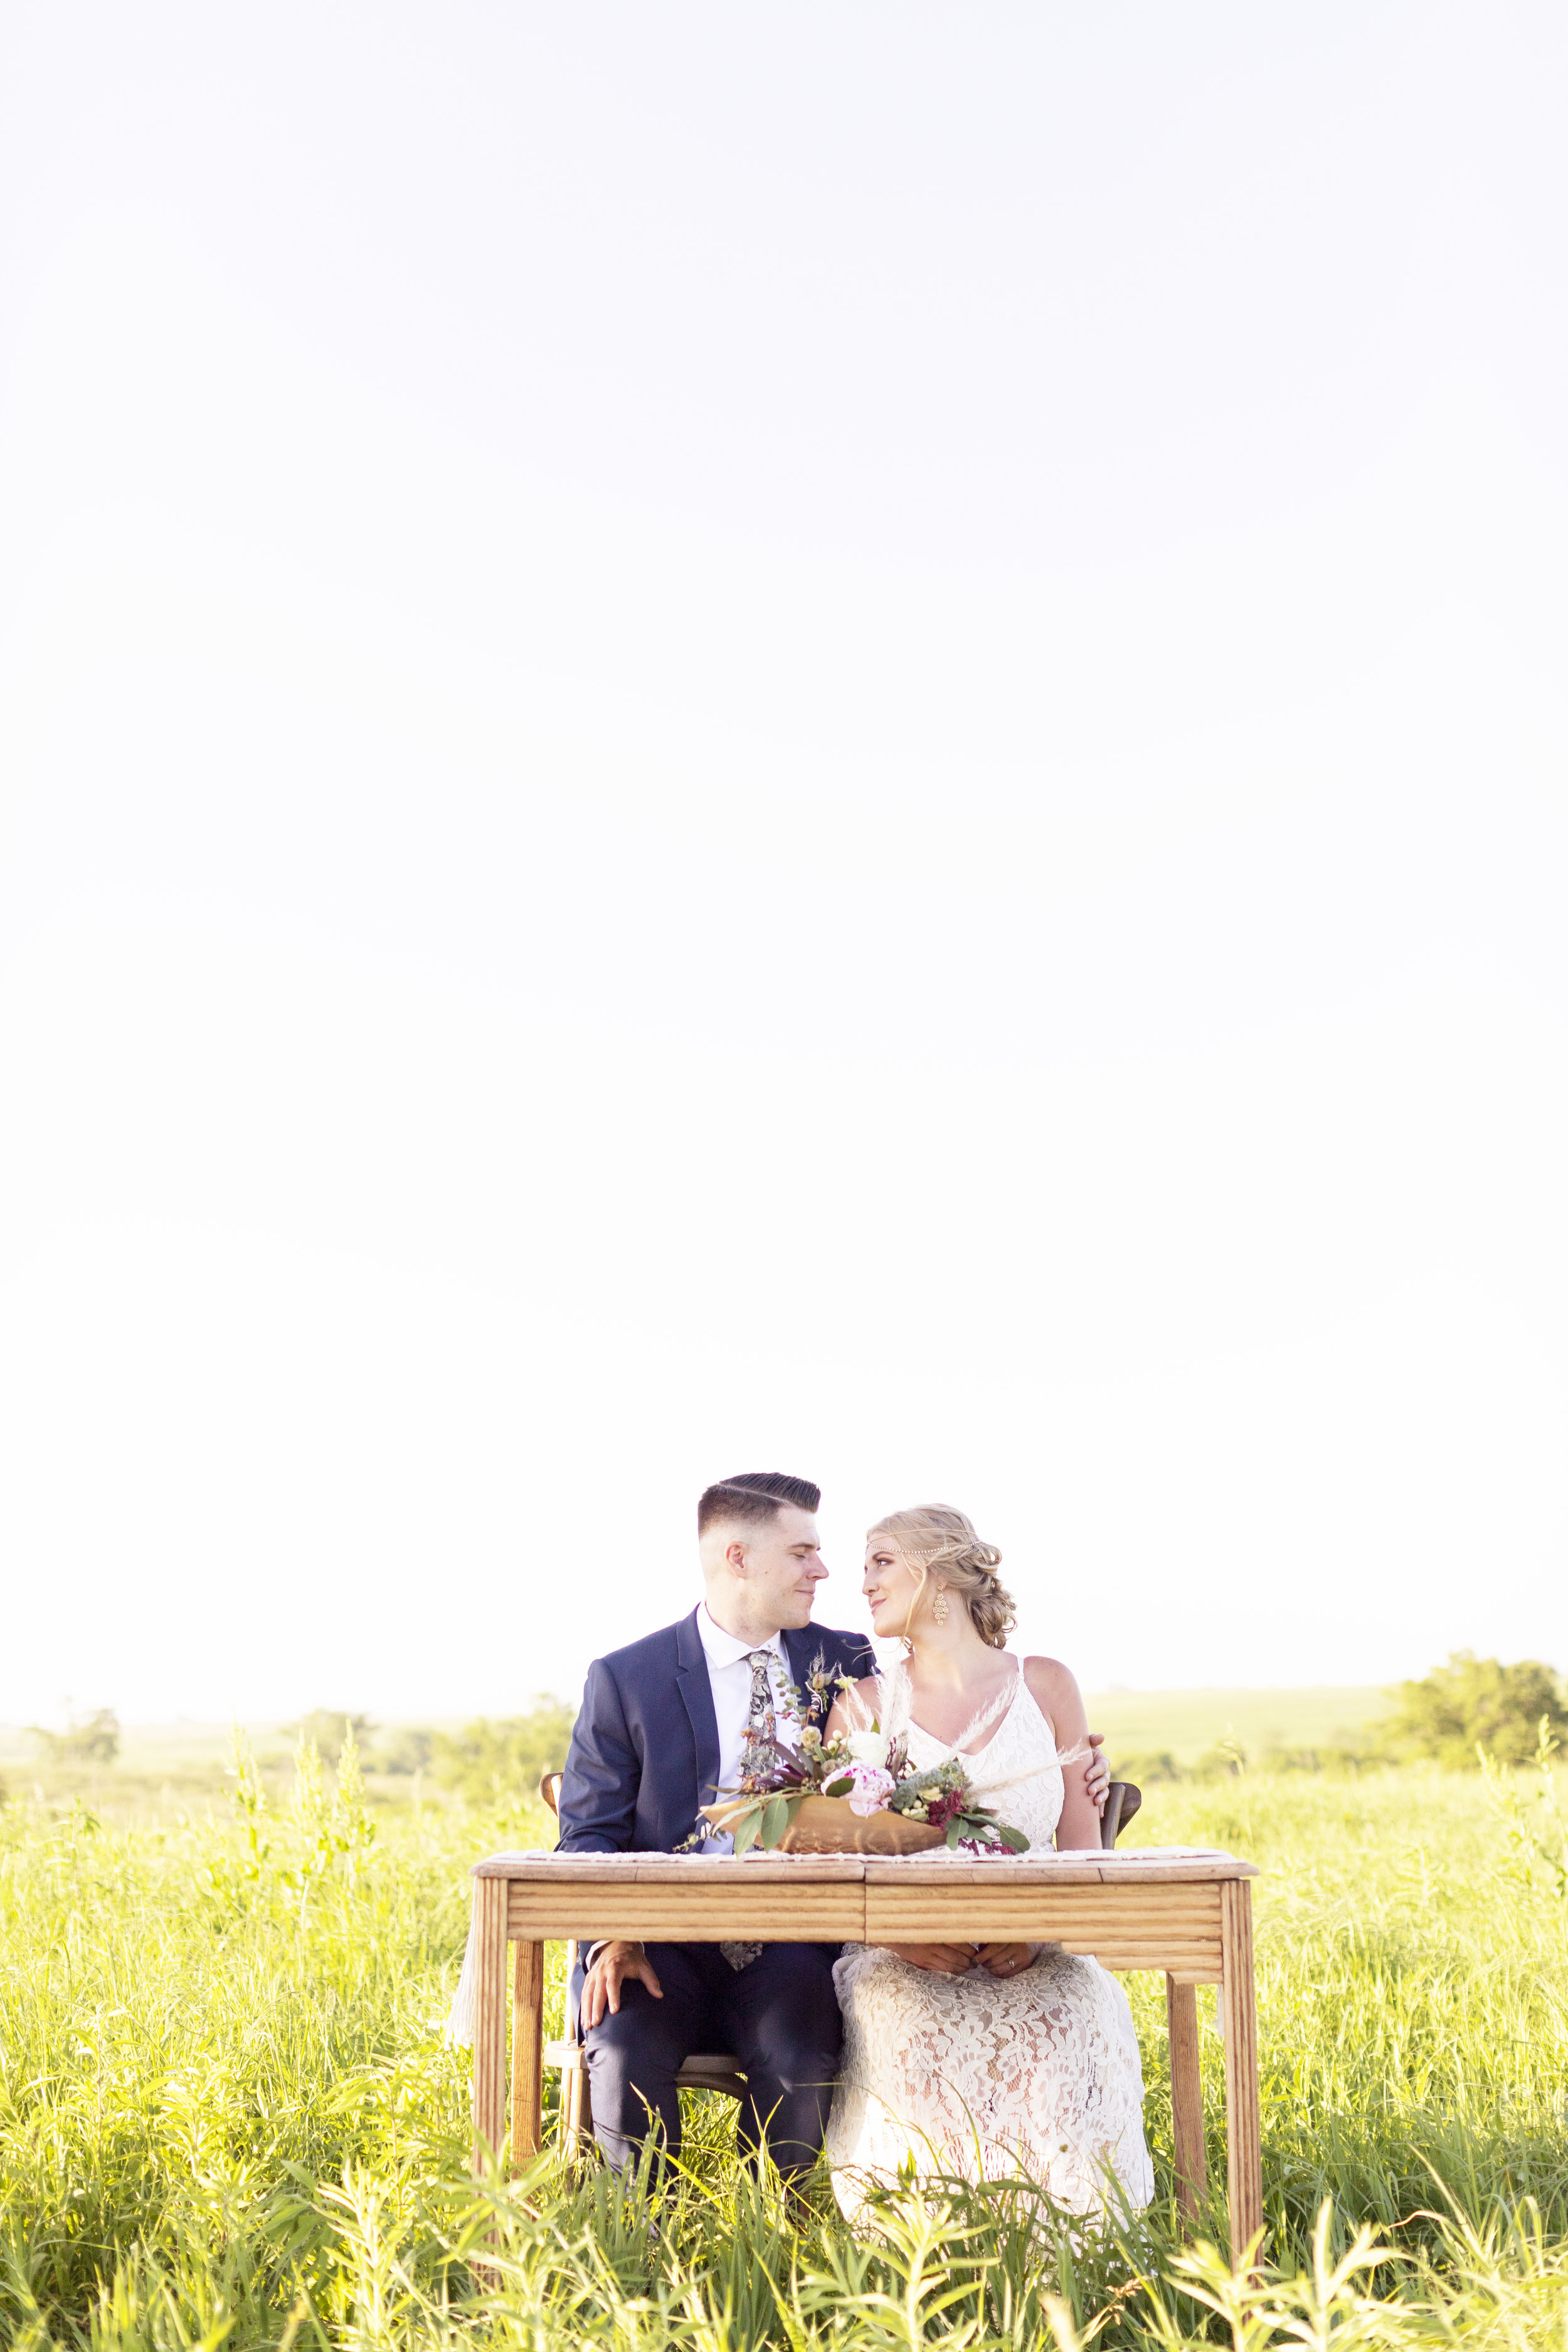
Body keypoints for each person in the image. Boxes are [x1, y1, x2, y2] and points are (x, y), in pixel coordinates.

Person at [557, 1472, 1113, 2185]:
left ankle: (776, 2236)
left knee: (800, 2053)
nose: (824, 1571)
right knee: (626, 2047)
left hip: (792, 1941)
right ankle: (634, 2254)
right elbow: (586, 1837)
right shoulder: (626, 1678)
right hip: (656, 1945)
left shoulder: (845, 1663)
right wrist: (615, 1933)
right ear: (737, 1558)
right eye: (802, 1553)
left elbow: (927, 1760)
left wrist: (1079, 1767)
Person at [823, 1505, 1153, 2221]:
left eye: (881, 1561)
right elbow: (838, 1869)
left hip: (1038, 1950)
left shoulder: (1046, 1685)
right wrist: (898, 1939)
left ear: (937, 1571)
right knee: (903, 2018)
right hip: (903, 1954)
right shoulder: (863, 1708)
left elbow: (1083, 1853)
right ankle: (921, 2245)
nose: (864, 1583)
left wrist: (1039, 1937)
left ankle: (1073, 2248)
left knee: (1067, 2017)